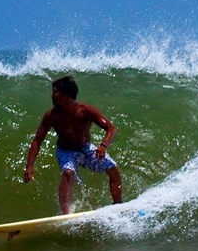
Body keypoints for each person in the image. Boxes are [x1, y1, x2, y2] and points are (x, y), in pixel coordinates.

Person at [22, 75, 124, 214]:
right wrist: (29, 166)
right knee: (68, 173)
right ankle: (66, 214)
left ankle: (118, 205)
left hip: (86, 149)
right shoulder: (52, 116)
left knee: (113, 168)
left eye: (55, 91)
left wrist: (103, 145)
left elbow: (111, 128)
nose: (52, 95)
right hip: (66, 151)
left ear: (66, 95)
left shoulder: (86, 111)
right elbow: (37, 141)